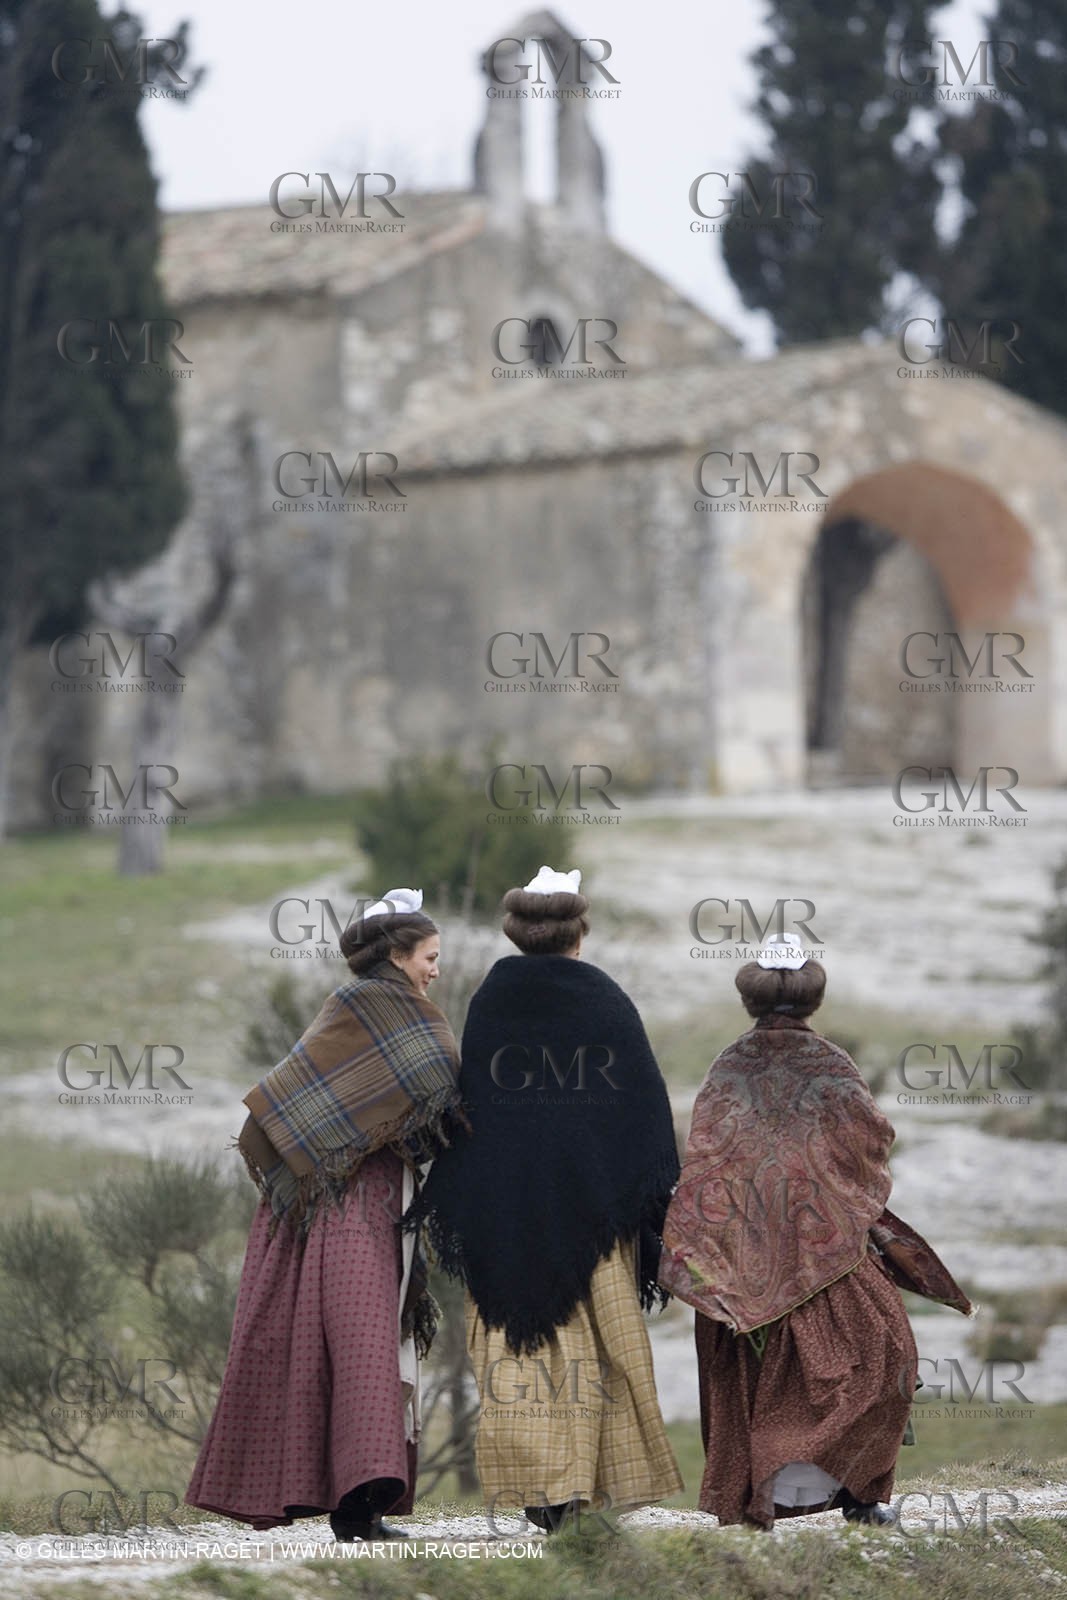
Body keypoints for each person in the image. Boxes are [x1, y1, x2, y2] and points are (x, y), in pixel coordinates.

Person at [658, 933, 973, 1531]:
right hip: (826, 1243)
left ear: (751, 998)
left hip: (741, 1256)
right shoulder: (832, 1063)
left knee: (758, 1378)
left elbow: (704, 1152)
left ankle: (765, 1493)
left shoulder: (728, 1064)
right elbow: (871, 1137)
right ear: (812, 999)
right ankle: (854, 1494)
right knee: (884, 1358)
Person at [410, 865, 683, 1532]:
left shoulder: (491, 1001)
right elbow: (643, 1113)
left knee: (520, 1356)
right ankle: (596, 1487)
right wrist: (638, 1199)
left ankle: (543, 1492)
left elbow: (474, 1108)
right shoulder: (604, 1000)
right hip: (593, 1213)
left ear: (516, 933)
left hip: (508, 1215)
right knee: (600, 1348)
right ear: (577, 935)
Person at [186, 888, 463, 1541]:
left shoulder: (345, 1007)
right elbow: (432, 1101)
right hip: (352, 1202)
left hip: (334, 1200)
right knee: (366, 1346)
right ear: (397, 954)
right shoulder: (396, 1016)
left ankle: (351, 1503)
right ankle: (355, 1505)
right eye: (429, 956)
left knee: (340, 1346)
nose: (435, 970)